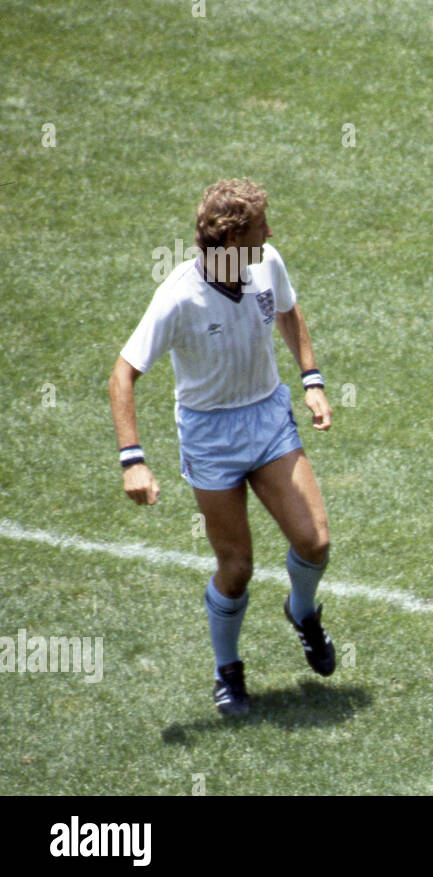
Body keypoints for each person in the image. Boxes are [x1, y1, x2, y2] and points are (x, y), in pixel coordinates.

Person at [108, 179, 336, 717]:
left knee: (316, 541)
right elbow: (123, 375)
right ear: (234, 239)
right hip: (211, 436)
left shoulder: (266, 262)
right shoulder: (178, 296)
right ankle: (227, 671)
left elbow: (288, 309)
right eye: (261, 226)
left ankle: (302, 612)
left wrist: (312, 379)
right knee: (236, 567)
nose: (271, 232)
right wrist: (133, 460)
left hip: (267, 417)